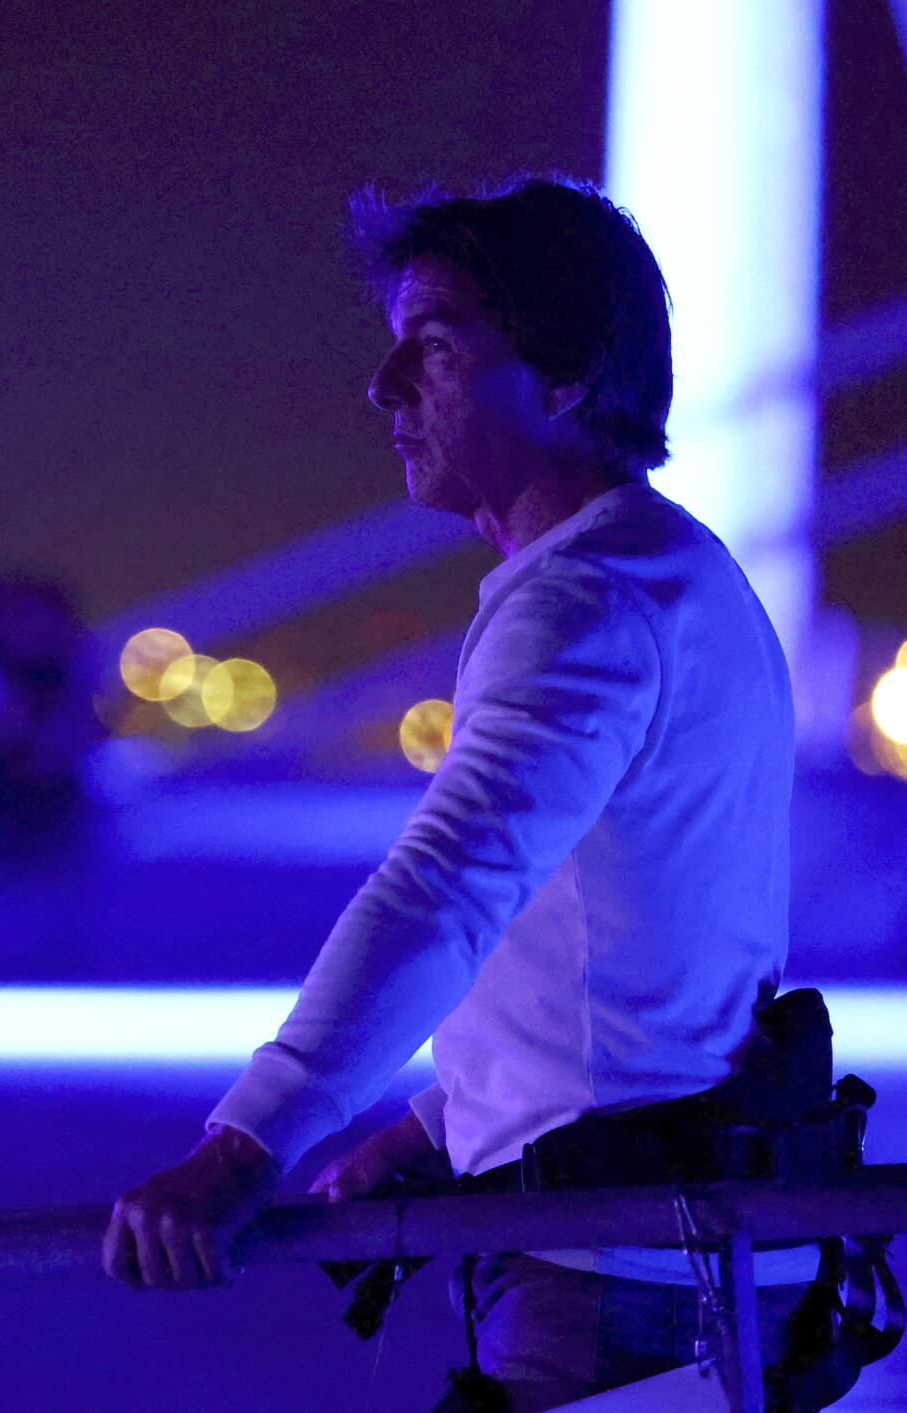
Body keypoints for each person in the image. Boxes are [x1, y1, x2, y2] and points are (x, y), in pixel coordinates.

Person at [101, 176, 820, 1410]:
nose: (384, 390)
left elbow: (445, 891)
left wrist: (244, 1148)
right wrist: (440, 1127)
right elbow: (640, 967)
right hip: (673, 1238)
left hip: (609, 1276)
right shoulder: (668, 574)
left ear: (567, 378)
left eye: (431, 349)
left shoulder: (583, 602)